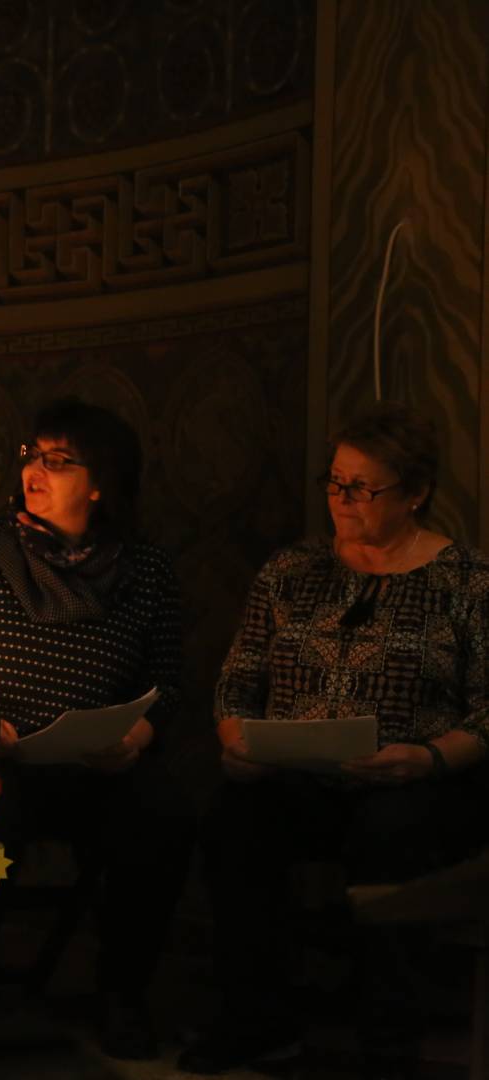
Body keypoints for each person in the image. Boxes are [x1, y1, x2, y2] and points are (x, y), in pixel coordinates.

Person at [178, 405, 489, 1074]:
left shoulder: (465, 581)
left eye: (362, 488)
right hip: (294, 777)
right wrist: (242, 747)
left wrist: (429, 758)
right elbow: (237, 683)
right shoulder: (292, 571)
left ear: (414, 493)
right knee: (235, 826)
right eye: (335, 481)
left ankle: (388, 1039)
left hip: (414, 781)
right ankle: (256, 1019)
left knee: (392, 831)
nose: (341, 500)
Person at [0, 397, 189, 1060]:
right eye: (32, 456)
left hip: (98, 769)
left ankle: (121, 995)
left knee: (160, 819)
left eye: (60, 461)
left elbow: (169, 681)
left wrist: (138, 736)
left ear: (101, 483)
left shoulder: (145, 571)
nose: (36, 471)